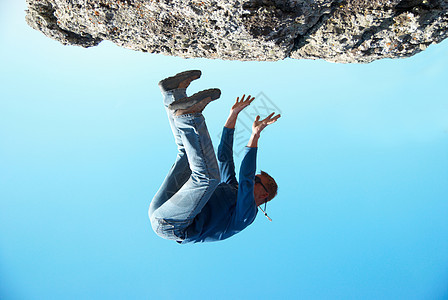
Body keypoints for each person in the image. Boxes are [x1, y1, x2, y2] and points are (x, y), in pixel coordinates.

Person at [148, 70, 280, 244]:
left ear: (263, 195)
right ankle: (173, 92)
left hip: (174, 225)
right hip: (163, 207)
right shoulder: (233, 188)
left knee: (209, 177)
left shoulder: (247, 215)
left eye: (257, 180)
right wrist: (233, 115)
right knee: (189, 155)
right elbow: (225, 156)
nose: (251, 180)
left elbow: (246, 177)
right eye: (256, 178)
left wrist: (255, 135)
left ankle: (190, 117)